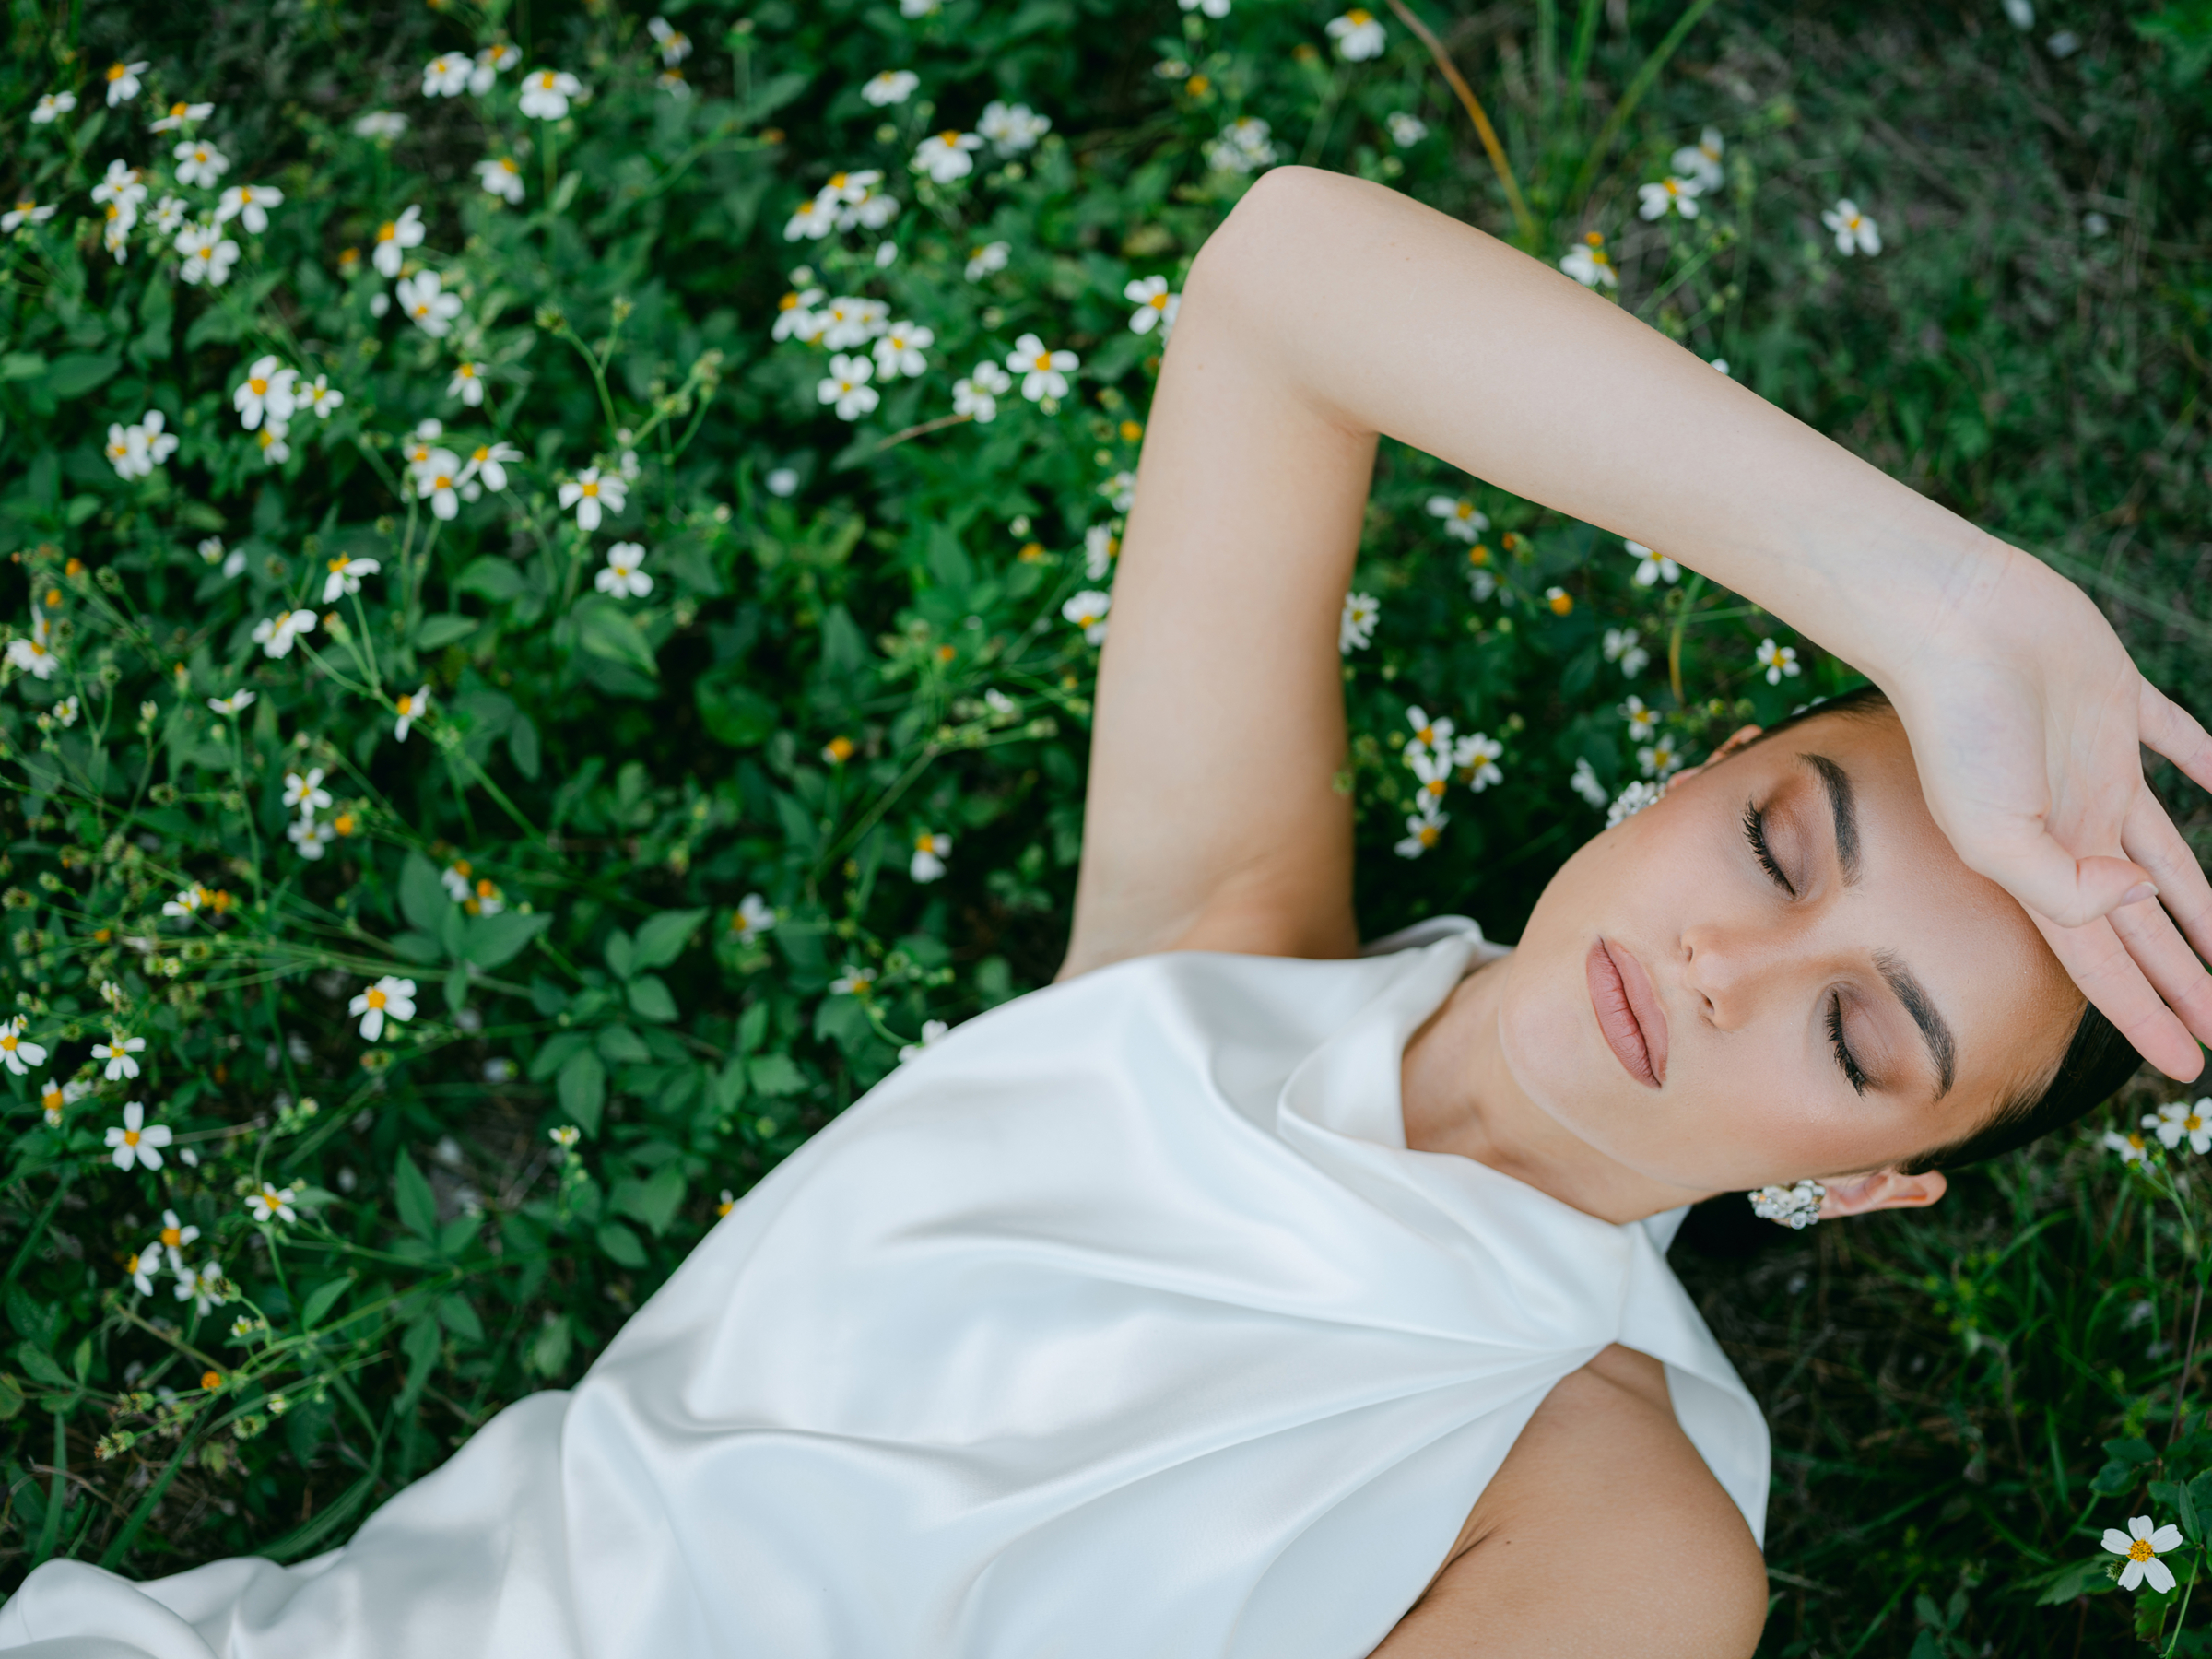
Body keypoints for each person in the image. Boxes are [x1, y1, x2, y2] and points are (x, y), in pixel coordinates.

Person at [5, 171, 2206, 1659]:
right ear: (1679, 783)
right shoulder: (1206, 956)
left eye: (1854, 1037)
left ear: (1871, 1180)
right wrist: (1932, 598)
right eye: (1779, 842)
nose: (1733, 965)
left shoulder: (1620, 1527)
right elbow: (1284, 275)